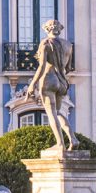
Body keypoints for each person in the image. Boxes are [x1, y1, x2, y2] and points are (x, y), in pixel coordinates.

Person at [26, 19, 78, 152]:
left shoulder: (45, 43)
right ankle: (72, 139)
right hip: (62, 82)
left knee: (51, 114)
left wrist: (33, 84)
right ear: (59, 29)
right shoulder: (68, 45)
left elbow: (42, 66)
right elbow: (69, 67)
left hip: (49, 80)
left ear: (47, 29)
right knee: (58, 112)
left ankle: (60, 145)